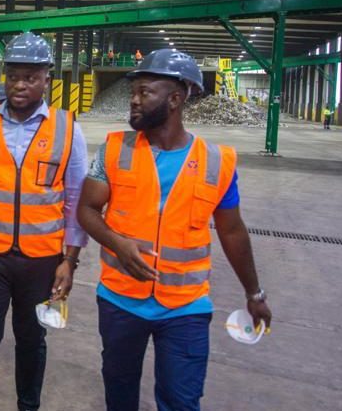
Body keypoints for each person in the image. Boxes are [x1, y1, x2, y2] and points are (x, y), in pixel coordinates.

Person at [77, 48, 272, 411]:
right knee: (119, 395)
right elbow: (87, 210)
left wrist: (254, 294)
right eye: (133, 91)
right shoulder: (114, 150)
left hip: (186, 308)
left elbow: (232, 232)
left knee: (182, 401)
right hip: (121, 301)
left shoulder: (217, 162)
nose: (133, 100)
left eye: (145, 92)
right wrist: (118, 243)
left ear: (176, 99)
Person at [0, 31, 89, 411]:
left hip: (42, 263)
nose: (19, 84)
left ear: (47, 78)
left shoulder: (67, 128)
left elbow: (76, 199)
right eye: (13, 75)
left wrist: (69, 261)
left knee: (31, 343)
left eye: (30, 77)